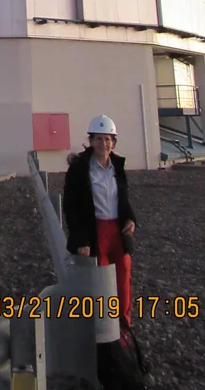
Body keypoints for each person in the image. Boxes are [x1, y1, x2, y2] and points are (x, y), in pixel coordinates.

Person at [62, 114, 137, 326]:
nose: (103, 144)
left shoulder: (117, 166)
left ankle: (123, 328)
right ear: (91, 141)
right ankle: (102, 331)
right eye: (98, 139)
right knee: (99, 283)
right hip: (94, 231)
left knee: (123, 279)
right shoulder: (79, 169)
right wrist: (80, 240)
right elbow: (71, 207)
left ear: (113, 142)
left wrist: (130, 219)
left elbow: (123, 198)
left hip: (117, 232)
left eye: (108, 139)